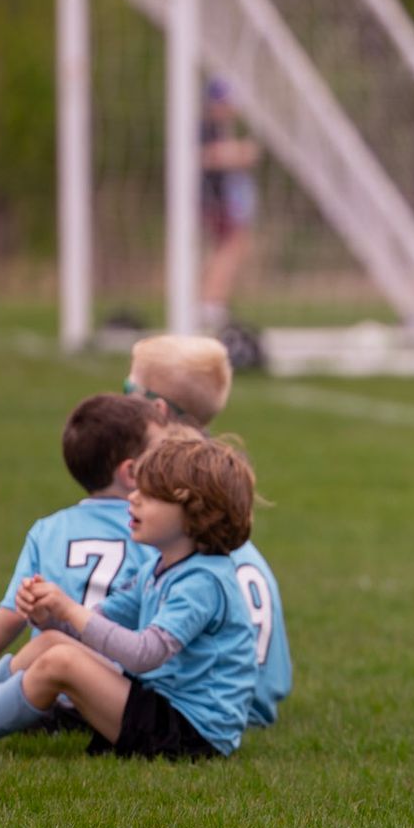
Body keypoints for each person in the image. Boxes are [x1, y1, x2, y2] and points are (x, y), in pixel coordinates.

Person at [0, 428, 259, 760]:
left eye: (151, 494)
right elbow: (102, 621)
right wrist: (51, 617)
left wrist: (71, 611)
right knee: (51, 642)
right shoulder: (160, 567)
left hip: (193, 735)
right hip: (161, 707)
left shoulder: (203, 582)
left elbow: (145, 655)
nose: (133, 499)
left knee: (60, 661)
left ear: (196, 512)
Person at [126, 333, 292, 726]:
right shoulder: (215, 503)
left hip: (206, 698)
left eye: (127, 390)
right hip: (259, 698)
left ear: (157, 408)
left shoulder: (167, 524)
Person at [0, 394, 162, 696]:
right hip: (115, 689)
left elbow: (13, 612)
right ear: (131, 473)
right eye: (163, 456)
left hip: (48, 681)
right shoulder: (157, 532)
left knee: (2, 670)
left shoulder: (47, 530)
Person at [200, 78, 260, 332]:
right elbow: (204, 155)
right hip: (213, 199)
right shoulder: (206, 128)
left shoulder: (222, 128)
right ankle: (211, 303)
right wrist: (238, 153)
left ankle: (213, 301)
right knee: (228, 248)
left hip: (222, 199)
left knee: (228, 249)